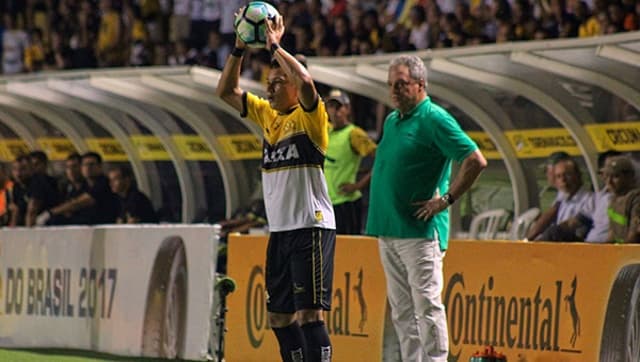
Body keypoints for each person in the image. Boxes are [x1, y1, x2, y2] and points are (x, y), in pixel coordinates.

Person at [216, 10, 336, 362]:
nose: (269, 86)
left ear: (294, 87)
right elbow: (225, 90)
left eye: (278, 82)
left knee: (310, 315)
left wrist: (275, 47)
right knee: (279, 318)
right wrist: (239, 47)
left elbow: (310, 84)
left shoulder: (311, 117)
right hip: (280, 230)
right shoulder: (268, 117)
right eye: (268, 82)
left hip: (311, 227)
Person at [366, 54, 487, 362]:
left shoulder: (435, 118)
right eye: (391, 85)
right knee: (402, 310)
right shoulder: (393, 120)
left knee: (426, 305)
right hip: (389, 228)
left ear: (421, 85)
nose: (394, 91)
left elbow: (475, 160)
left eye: (402, 84)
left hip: (419, 232)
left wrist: (445, 200)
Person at [324, 88, 377, 234]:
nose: (335, 111)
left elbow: (381, 159)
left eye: (339, 107)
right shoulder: (327, 132)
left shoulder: (354, 134)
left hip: (346, 204)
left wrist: (358, 185)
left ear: (347, 109)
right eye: (331, 107)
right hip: (329, 202)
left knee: (348, 249)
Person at [37, 152, 118, 226]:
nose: (88, 168)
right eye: (84, 165)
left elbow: (80, 202)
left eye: (91, 164)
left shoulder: (104, 183)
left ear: (100, 167)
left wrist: (50, 213)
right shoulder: (80, 187)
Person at [527, 158, 594, 241]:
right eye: (559, 176)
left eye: (567, 175)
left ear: (578, 175)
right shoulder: (562, 200)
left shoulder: (590, 199)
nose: (563, 180)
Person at [604, 155, 640, 243]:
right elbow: (612, 233)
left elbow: (634, 235)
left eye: (615, 176)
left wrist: (621, 252)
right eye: (607, 176)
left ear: (629, 177)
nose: (609, 182)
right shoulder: (613, 199)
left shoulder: (636, 198)